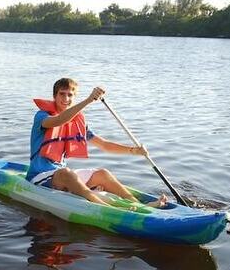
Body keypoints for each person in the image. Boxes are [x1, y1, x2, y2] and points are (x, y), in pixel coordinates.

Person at [25, 77, 167, 208]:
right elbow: (59, 120)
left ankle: (141, 206)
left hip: (60, 176)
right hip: (39, 176)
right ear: (54, 96)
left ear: (74, 97)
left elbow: (104, 145)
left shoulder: (77, 124)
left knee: (102, 173)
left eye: (70, 95)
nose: (66, 98)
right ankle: (108, 209)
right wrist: (88, 100)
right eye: (62, 94)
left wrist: (134, 151)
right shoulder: (42, 116)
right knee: (66, 172)